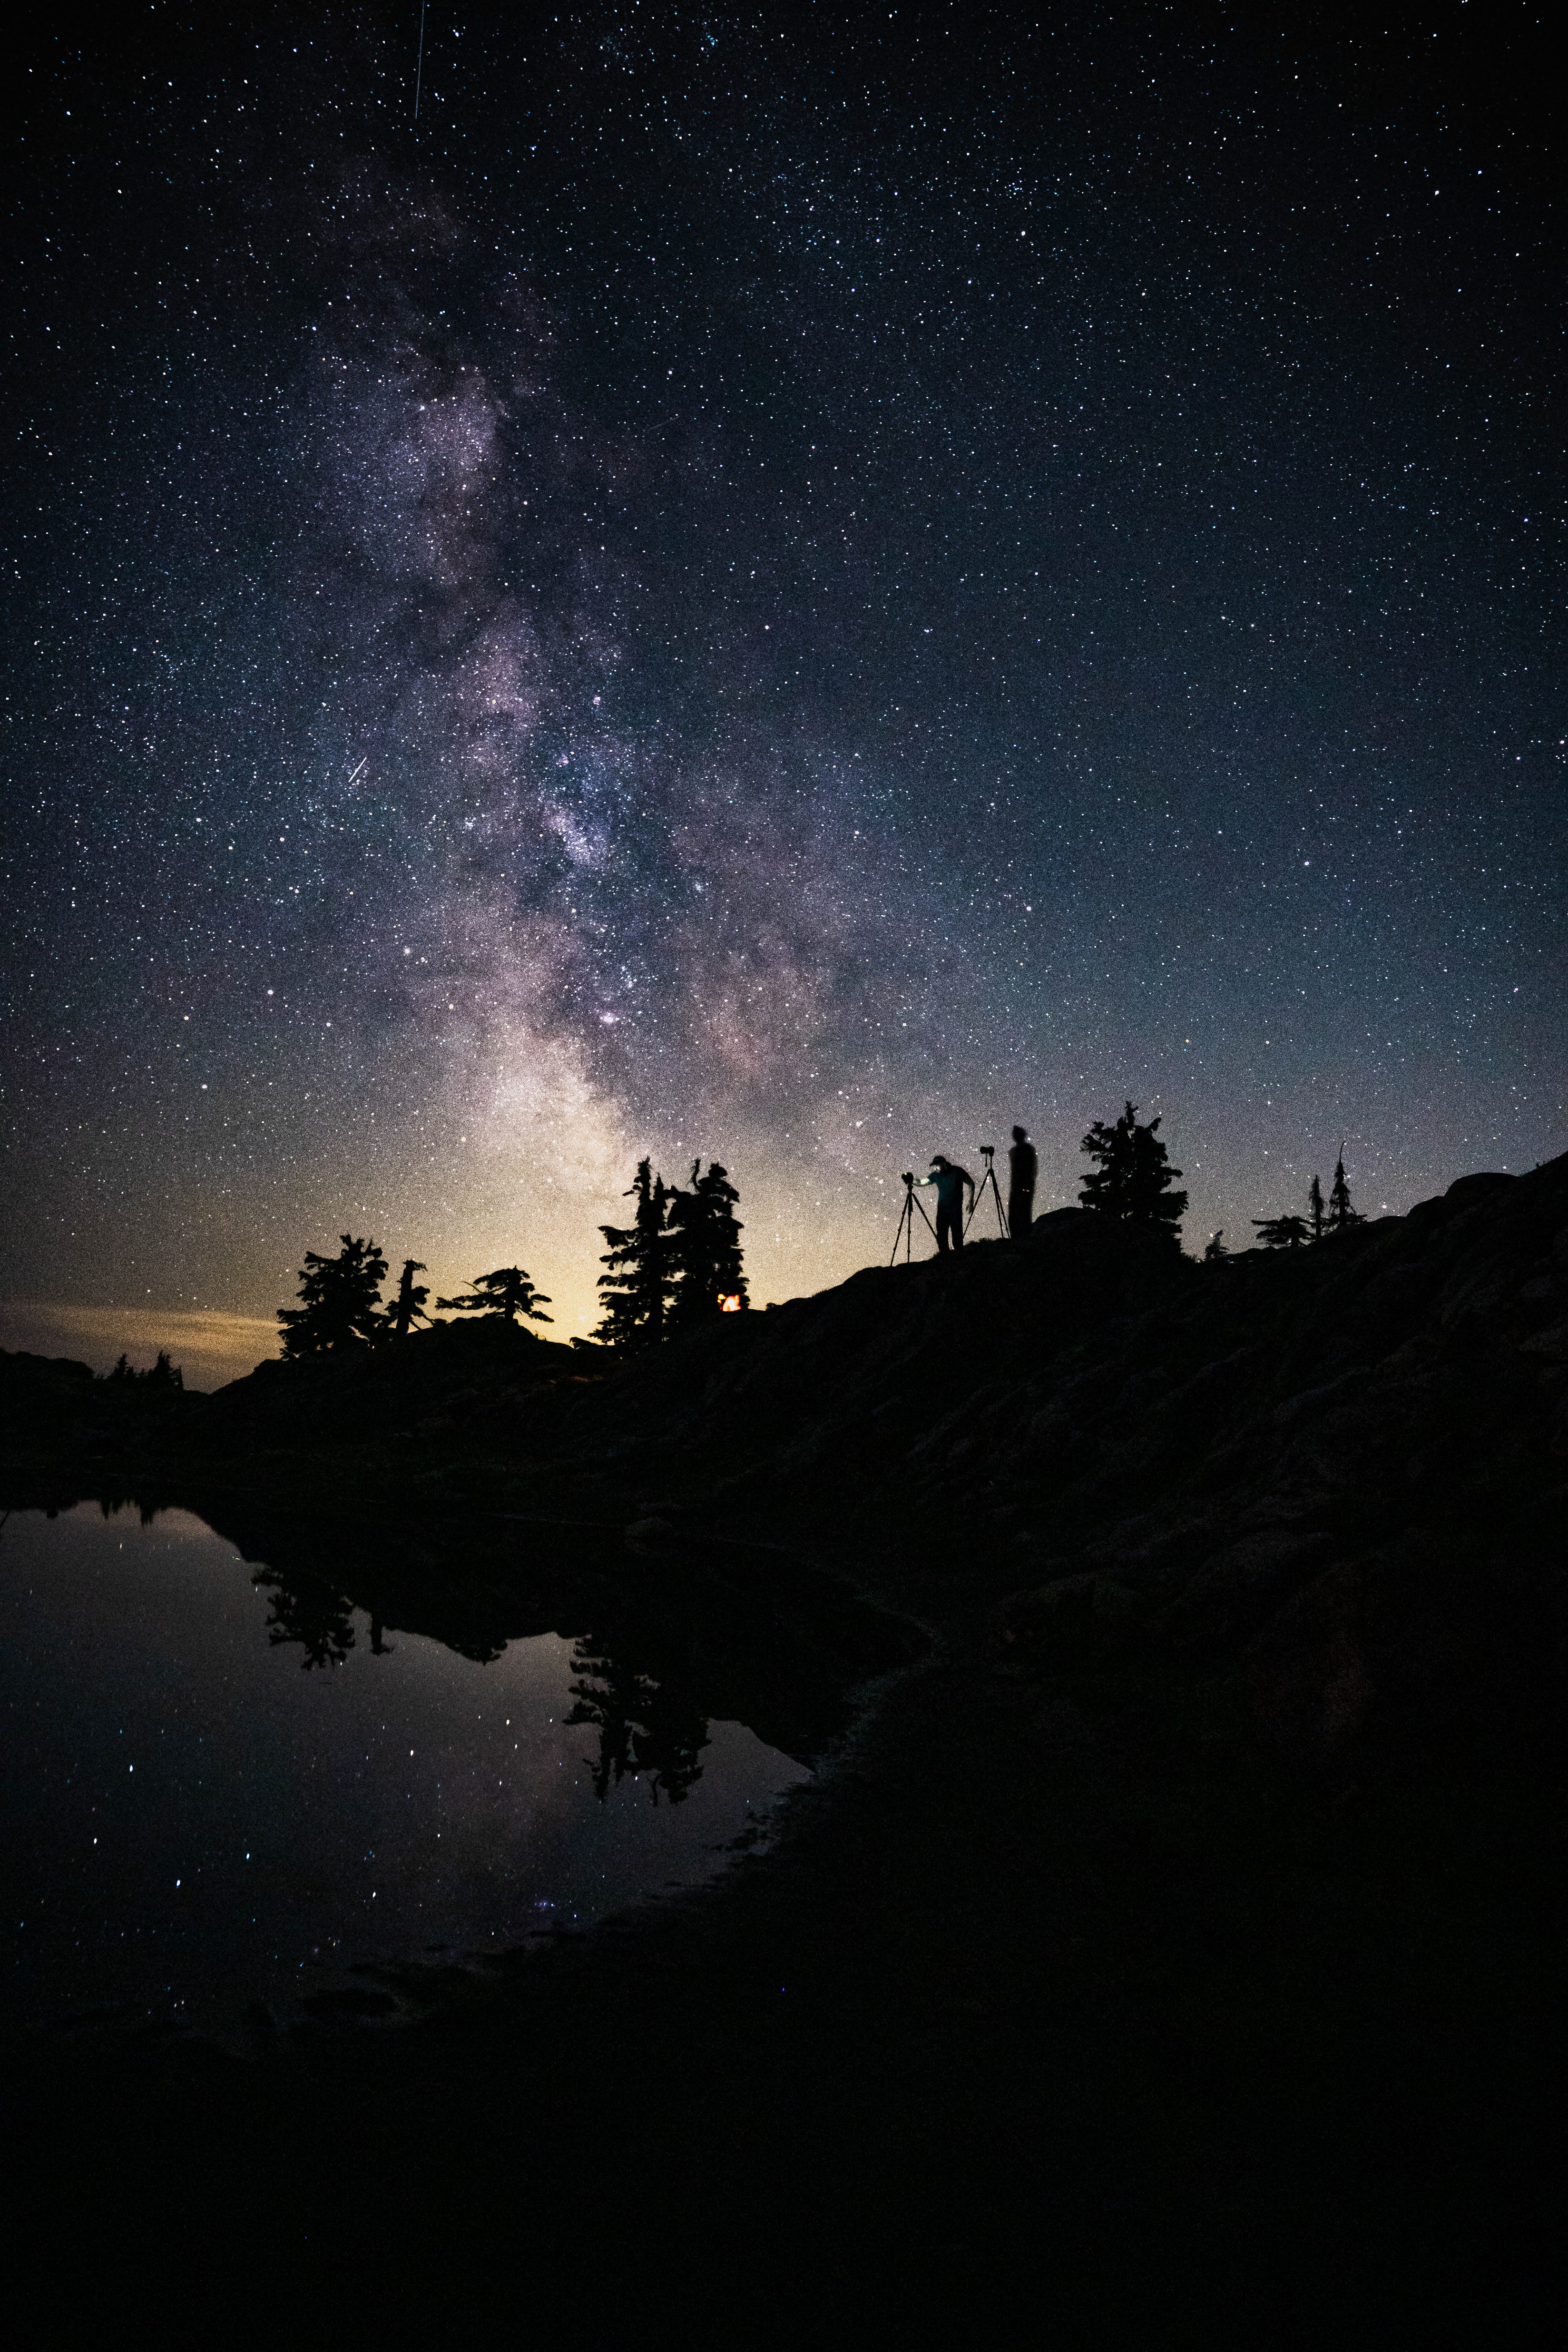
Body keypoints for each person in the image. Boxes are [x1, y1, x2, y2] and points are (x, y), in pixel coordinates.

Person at [916, 1155, 976, 1254]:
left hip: (955, 1207)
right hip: (942, 1208)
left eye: (937, 1166)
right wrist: (913, 1181)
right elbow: (923, 1182)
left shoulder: (958, 1171)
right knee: (941, 1231)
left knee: (956, 1231)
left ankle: (959, 1253)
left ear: (943, 1164)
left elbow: (971, 1184)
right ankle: (945, 1254)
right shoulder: (935, 1175)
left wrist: (971, 1202)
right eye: (934, 1166)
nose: (935, 1168)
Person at [1007, 1125, 1037, 1239]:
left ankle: (1023, 1239)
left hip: (1024, 1186)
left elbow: (1032, 1169)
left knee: (1024, 1213)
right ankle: (1017, 1238)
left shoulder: (1027, 1149)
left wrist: (1028, 1186)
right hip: (1017, 1186)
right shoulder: (1014, 1151)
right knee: (1014, 1215)